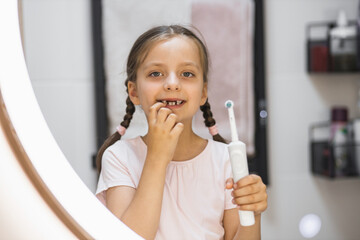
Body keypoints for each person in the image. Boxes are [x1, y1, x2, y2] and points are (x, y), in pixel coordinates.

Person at [95, 25, 267, 240]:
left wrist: (252, 211)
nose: (172, 84)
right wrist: (157, 156)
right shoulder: (119, 157)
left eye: (187, 73)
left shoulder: (225, 159)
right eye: (155, 73)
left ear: (203, 92)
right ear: (134, 92)